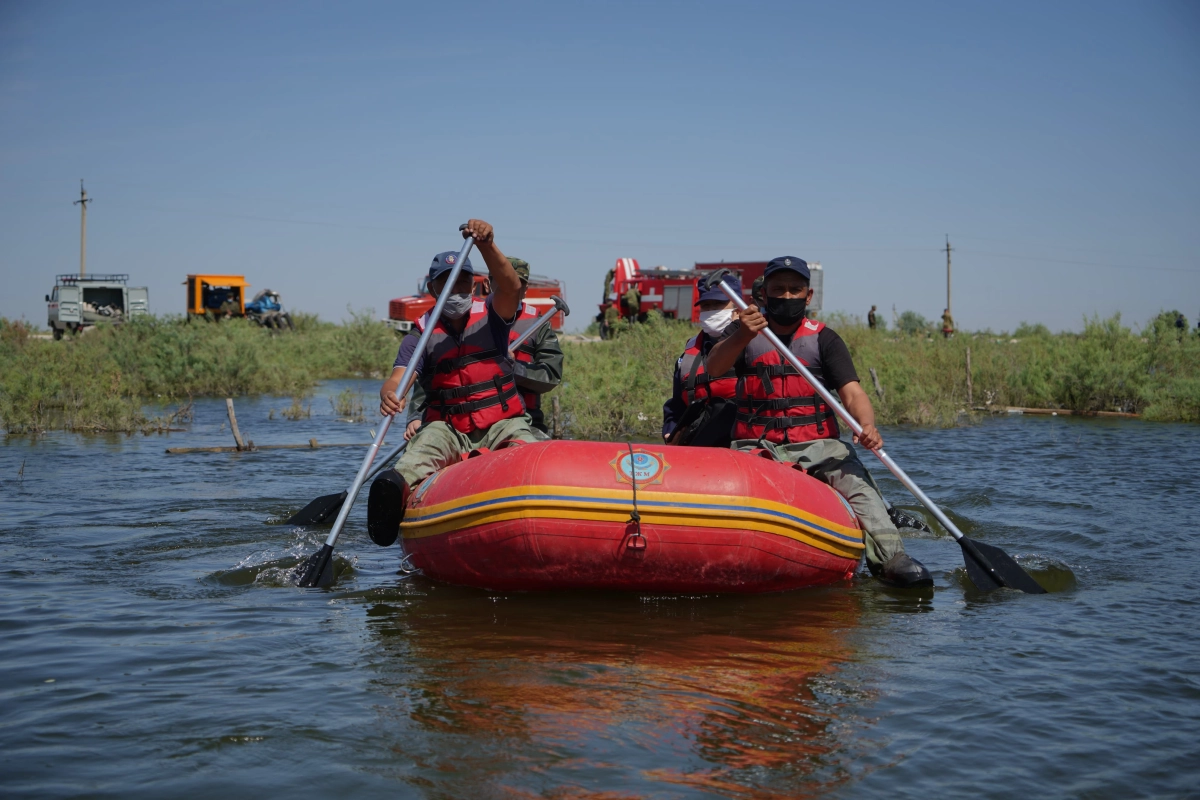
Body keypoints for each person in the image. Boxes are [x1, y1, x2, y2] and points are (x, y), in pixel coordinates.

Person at [704, 256, 933, 588]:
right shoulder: (742, 331)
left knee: (861, 490)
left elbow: (852, 393)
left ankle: (891, 558)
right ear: (764, 294)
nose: (786, 296)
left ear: (808, 296)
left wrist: (867, 424)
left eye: (795, 289)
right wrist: (742, 334)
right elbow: (713, 368)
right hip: (756, 448)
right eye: (778, 289)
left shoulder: (825, 339)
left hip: (820, 448)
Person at [367, 219, 538, 547]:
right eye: (447, 284)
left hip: (501, 422)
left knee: (524, 450)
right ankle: (392, 491)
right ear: (433, 289)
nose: (455, 291)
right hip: (446, 428)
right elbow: (397, 380)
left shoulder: (493, 316)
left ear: (473, 285)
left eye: (462, 284)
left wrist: (487, 244)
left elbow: (512, 287)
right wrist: (390, 395)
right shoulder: (421, 334)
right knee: (421, 454)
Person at [403, 257, 563, 438]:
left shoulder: (538, 325)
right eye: (502, 282)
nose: (508, 287)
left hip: (523, 421)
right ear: (488, 284)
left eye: (516, 283)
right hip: (458, 424)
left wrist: (513, 367)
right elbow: (432, 376)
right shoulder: (463, 320)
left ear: (524, 289)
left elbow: (551, 375)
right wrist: (416, 416)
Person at [661, 273, 741, 446]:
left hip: (743, 445)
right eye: (706, 306)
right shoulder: (688, 356)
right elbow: (676, 407)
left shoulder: (755, 347)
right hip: (701, 448)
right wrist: (670, 430)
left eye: (718, 304)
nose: (711, 311)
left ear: (738, 309)